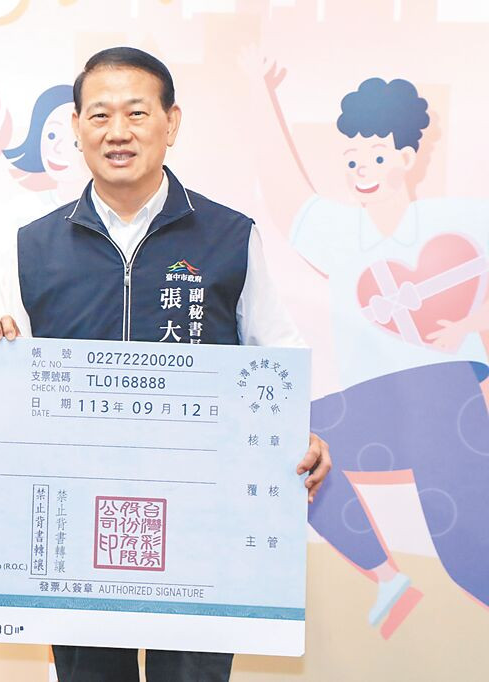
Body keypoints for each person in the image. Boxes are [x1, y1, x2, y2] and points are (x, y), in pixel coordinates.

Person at [0, 47, 331, 682]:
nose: (118, 131)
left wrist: (295, 435)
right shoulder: (32, 245)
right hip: (78, 524)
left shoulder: (229, 235)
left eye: (137, 113)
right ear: (77, 128)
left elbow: (275, 355)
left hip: (201, 520)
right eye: (99, 115)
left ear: (172, 123)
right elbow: (9, 384)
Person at [246, 56, 489, 633]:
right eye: (352, 158)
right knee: (289, 443)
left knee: (467, 563)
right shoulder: (340, 232)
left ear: (406, 157)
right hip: (379, 403)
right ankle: (387, 577)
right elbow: (284, 192)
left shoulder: (460, 218)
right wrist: (258, 89)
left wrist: (473, 324)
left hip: (447, 399)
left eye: (377, 156)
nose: (363, 170)